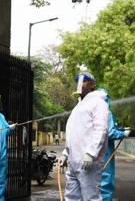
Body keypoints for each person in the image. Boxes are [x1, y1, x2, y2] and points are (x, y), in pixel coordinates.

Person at [58, 72, 109, 201]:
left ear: (92, 84)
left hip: (88, 162)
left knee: (91, 198)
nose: (80, 84)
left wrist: (91, 153)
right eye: (79, 81)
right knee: (71, 197)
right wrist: (65, 153)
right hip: (73, 162)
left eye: (84, 81)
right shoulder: (79, 106)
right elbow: (74, 133)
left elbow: (101, 129)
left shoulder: (98, 102)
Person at [98, 88, 130, 201]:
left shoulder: (92, 112)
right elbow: (110, 133)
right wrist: (123, 134)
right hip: (105, 152)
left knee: (94, 183)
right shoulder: (106, 112)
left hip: (93, 153)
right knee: (106, 181)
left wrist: (118, 130)